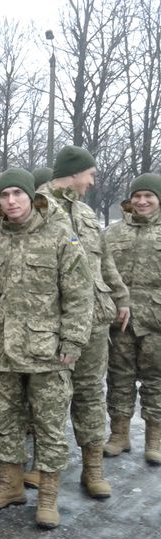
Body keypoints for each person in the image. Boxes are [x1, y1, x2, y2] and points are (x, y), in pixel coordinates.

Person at [0, 168, 93, 529]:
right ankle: (10, 485)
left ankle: (48, 497)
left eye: (17, 195)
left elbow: (79, 295)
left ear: (30, 197)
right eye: (4, 196)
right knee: (6, 422)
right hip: (2, 348)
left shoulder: (59, 235)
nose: (10, 201)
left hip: (47, 351)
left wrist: (72, 340)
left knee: (49, 425)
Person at [31, 145, 130, 498]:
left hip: (94, 322)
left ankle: (93, 470)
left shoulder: (86, 214)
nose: (92, 181)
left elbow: (103, 260)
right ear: (74, 173)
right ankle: (43, 471)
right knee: (48, 401)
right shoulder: (35, 208)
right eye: (90, 174)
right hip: (50, 322)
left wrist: (120, 296)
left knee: (90, 395)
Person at [104, 173, 161, 465]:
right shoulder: (114, 233)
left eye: (149, 196)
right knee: (119, 378)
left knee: (156, 381)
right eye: (137, 196)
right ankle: (119, 435)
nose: (142, 201)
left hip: (157, 322)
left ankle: (155, 440)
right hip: (120, 320)